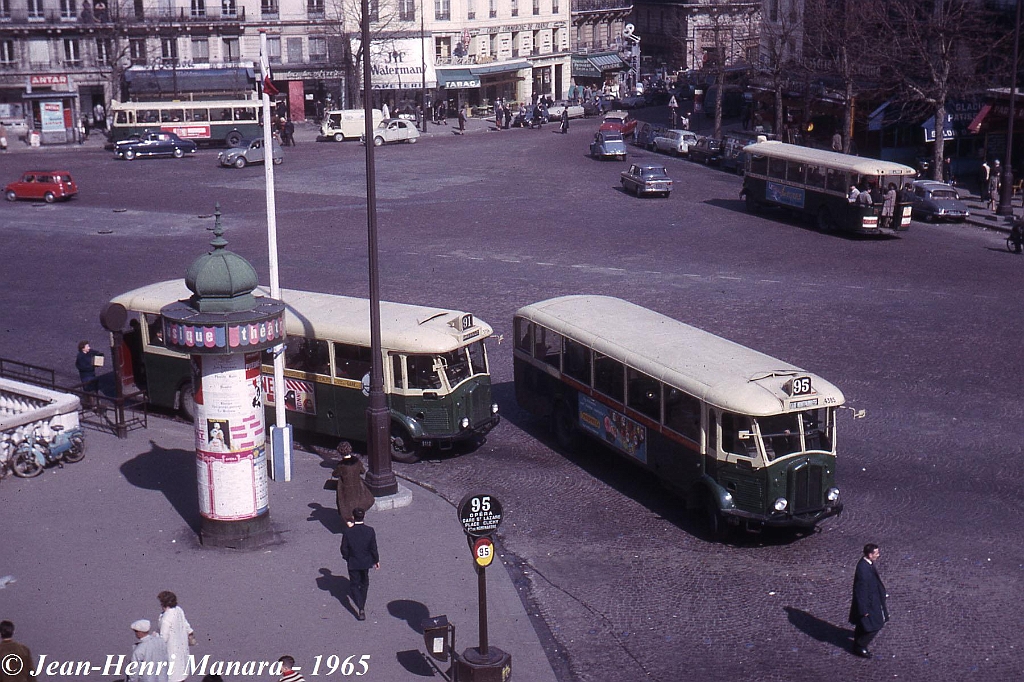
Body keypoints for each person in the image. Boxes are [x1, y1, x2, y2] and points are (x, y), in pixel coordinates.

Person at [848, 543, 889, 659]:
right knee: (876, 624)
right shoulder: (863, 570)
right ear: (870, 555)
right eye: (876, 553)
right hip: (869, 603)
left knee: (863, 624)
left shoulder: (866, 565)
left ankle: (857, 641)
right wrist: (863, 609)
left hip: (873, 599)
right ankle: (860, 645)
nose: (878, 555)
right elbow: (860, 591)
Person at [340, 507, 379, 621]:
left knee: (354, 584)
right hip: (366, 562)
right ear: (364, 516)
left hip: (353, 562)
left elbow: (344, 548)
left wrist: (348, 558)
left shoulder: (348, 532)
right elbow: (373, 548)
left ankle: (360, 607)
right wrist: (376, 560)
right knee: (365, 582)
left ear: (353, 517)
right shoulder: (370, 530)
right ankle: (362, 603)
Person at [332, 442, 374, 523]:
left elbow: (335, 474)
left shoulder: (341, 465)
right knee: (358, 502)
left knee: (347, 507)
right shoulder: (356, 461)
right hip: (357, 485)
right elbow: (363, 471)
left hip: (346, 489)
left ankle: (350, 523)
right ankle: (358, 519)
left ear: (340, 452)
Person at [157, 591, 193, 682]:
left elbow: (163, 638)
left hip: (171, 652)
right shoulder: (178, 610)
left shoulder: (166, 617)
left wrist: (154, 637)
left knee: (173, 676)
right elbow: (186, 624)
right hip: (181, 649)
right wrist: (190, 634)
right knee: (181, 674)